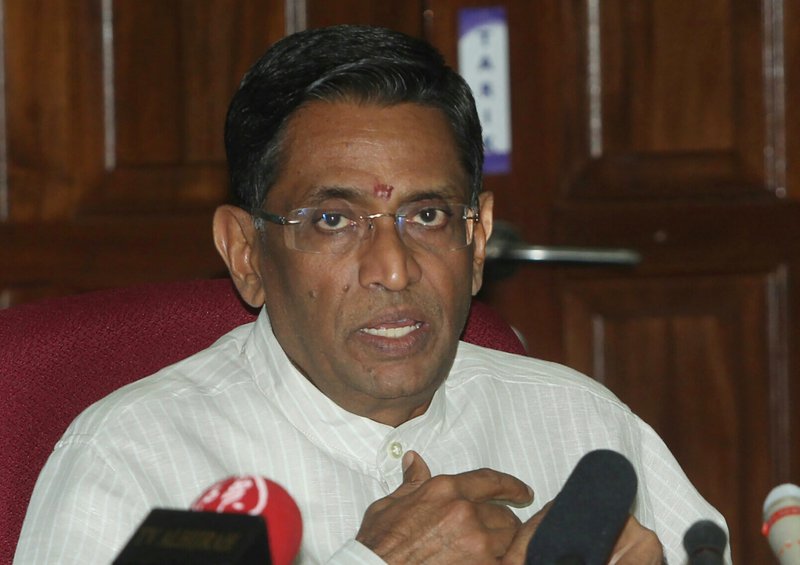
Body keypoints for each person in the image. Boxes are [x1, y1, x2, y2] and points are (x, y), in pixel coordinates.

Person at [15, 25, 729, 564]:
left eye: (427, 216)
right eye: (332, 220)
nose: (392, 267)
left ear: (477, 240)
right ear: (245, 253)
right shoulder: (133, 460)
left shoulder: (583, 425)